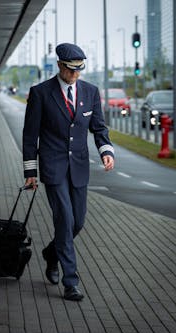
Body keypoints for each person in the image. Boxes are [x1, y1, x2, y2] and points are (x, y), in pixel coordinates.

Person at [23, 43, 114, 301]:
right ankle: (70, 282)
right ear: (60, 66)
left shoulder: (91, 92)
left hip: (80, 168)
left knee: (78, 222)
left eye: (79, 70)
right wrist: (30, 170)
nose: (75, 75)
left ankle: (51, 254)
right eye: (71, 70)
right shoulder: (40, 93)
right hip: (53, 167)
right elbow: (30, 135)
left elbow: (99, 128)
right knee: (64, 219)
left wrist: (106, 151)